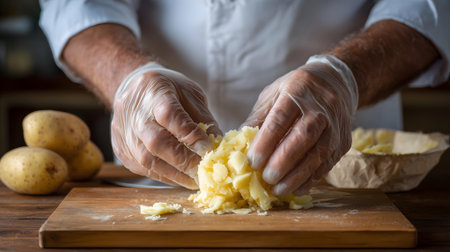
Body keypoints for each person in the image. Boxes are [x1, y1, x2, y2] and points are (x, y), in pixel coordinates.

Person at [39, 0, 449, 196]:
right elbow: (74, 5)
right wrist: (128, 78)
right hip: (153, 169)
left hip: (345, 173)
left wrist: (344, 76)